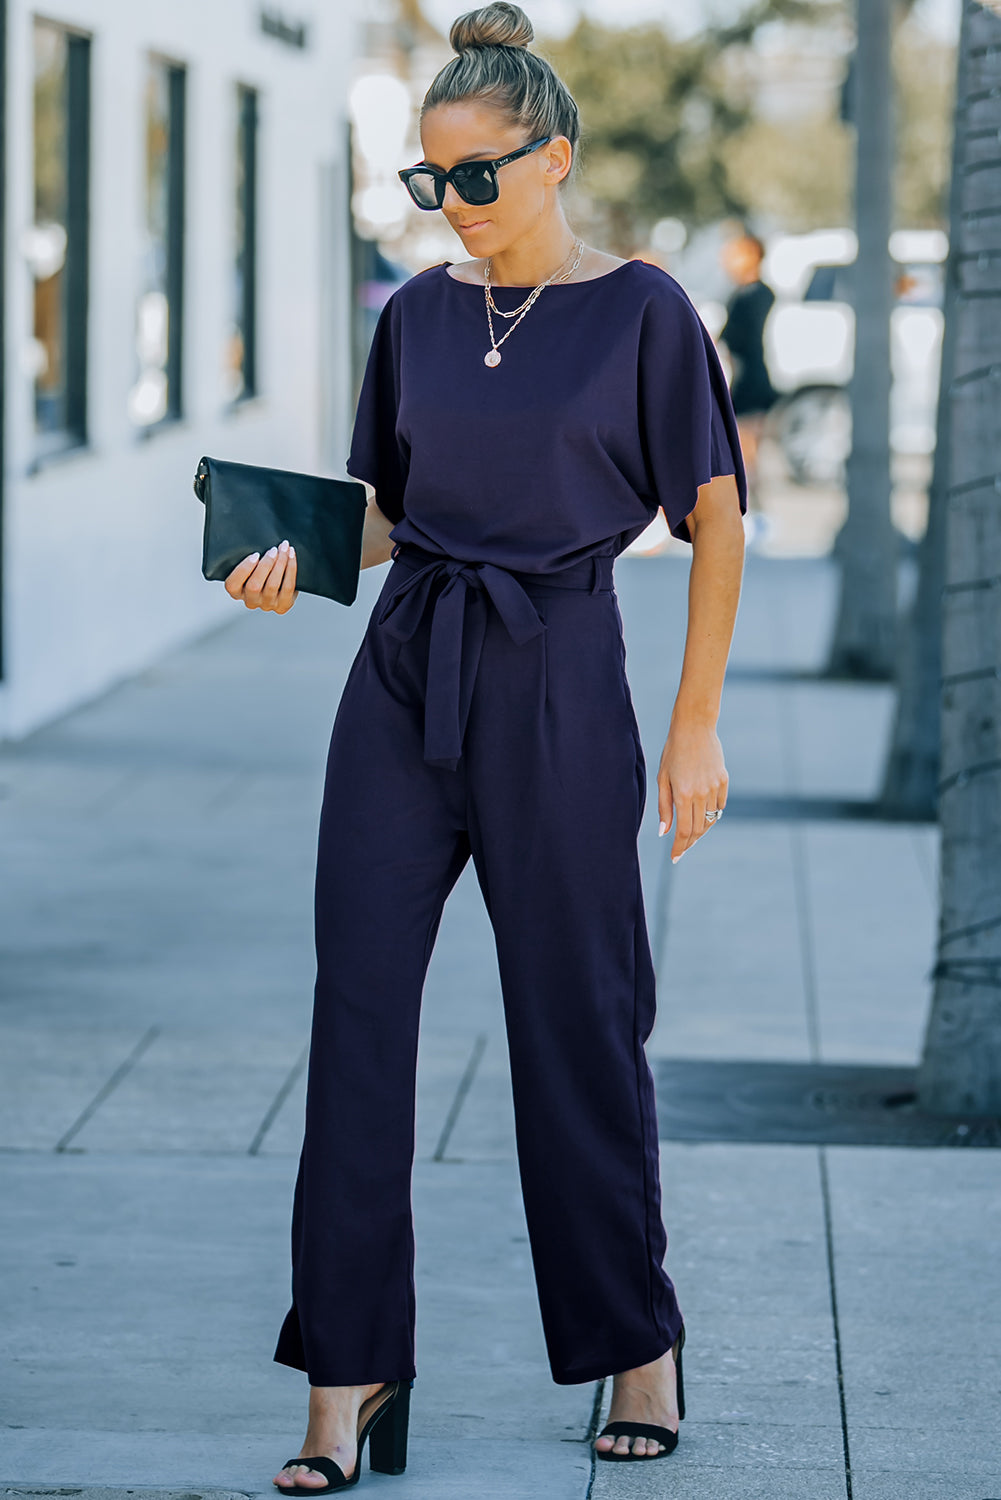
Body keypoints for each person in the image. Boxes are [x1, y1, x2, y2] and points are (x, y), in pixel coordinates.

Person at [222, 2, 746, 1489]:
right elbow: (387, 514)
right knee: (356, 1020)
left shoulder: (643, 311)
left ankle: (635, 1347)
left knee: (576, 1022)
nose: (450, 204)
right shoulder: (416, 317)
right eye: (427, 179)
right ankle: (348, 1373)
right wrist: (288, 561)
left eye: (475, 175)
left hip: (559, 675)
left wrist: (693, 726)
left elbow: (715, 520)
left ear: (552, 158)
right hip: (404, 676)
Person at [718, 229, 778, 529]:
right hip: (745, 378)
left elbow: (736, 338)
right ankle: (755, 512)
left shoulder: (752, 295)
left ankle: (755, 513)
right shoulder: (751, 293)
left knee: (746, 453)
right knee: (745, 452)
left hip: (749, 380)